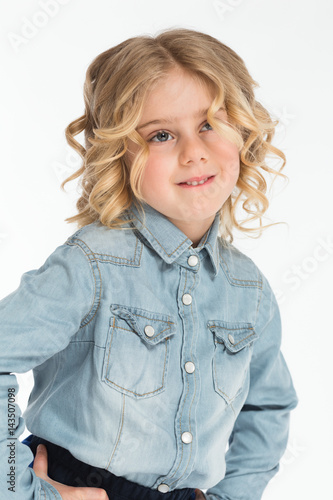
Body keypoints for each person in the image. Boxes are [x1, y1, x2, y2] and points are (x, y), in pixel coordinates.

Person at [0, 28, 298, 500]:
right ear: (119, 153)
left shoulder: (249, 289)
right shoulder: (93, 264)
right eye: (161, 135)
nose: (193, 151)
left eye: (208, 124)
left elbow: (267, 406)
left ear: (243, 130)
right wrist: (18, 489)